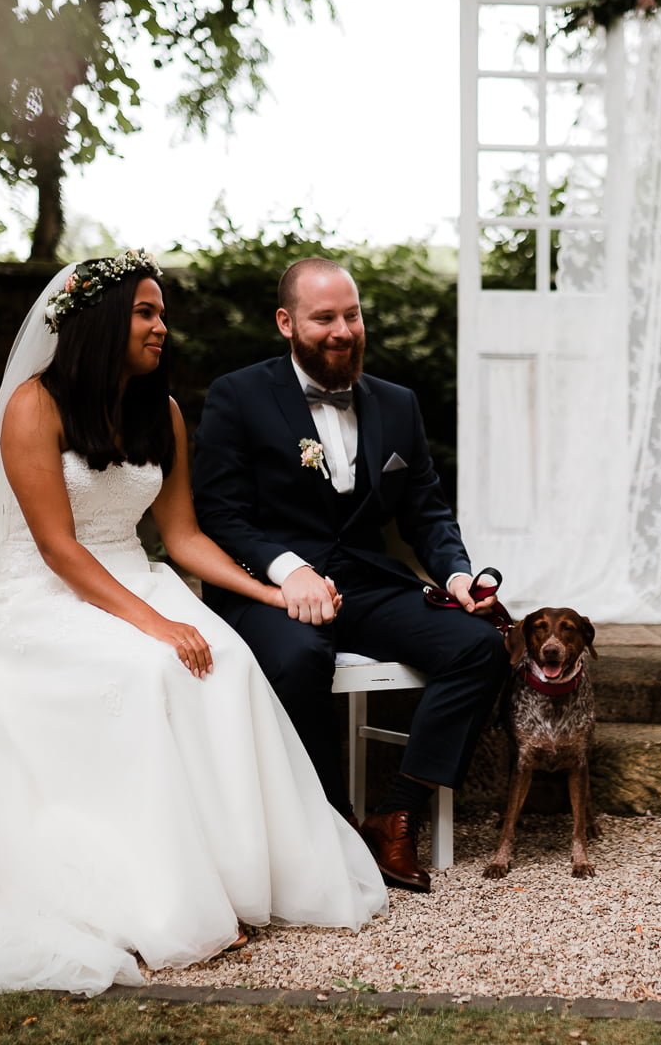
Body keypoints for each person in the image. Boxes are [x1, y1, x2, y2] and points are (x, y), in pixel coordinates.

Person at [0, 253, 385, 997]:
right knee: (148, 667)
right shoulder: (35, 406)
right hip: (44, 595)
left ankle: (233, 878)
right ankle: (154, 899)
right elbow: (58, 548)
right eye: (146, 313)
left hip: (133, 573)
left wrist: (272, 592)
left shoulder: (165, 411)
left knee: (229, 656)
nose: (163, 327)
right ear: (98, 323)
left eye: (161, 313)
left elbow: (182, 538)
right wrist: (153, 624)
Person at [194, 257, 508, 894]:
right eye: (323, 318)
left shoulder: (397, 404)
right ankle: (327, 823)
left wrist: (455, 575)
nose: (343, 330)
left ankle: (396, 814)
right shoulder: (238, 395)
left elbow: (426, 508)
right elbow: (220, 514)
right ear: (286, 322)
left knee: (480, 649)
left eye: (352, 315)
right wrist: (290, 571)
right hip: (268, 588)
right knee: (301, 658)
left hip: (365, 583)